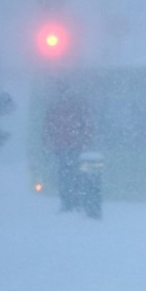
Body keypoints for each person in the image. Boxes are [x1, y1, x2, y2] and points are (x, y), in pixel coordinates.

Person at [42, 81, 94, 212]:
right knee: (71, 175)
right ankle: (72, 202)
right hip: (70, 146)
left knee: (67, 175)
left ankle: (70, 202)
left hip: (67, 146)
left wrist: (50, 141)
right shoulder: (77, 104)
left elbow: (48, 125)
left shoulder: (56, 105)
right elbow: (86, 123)